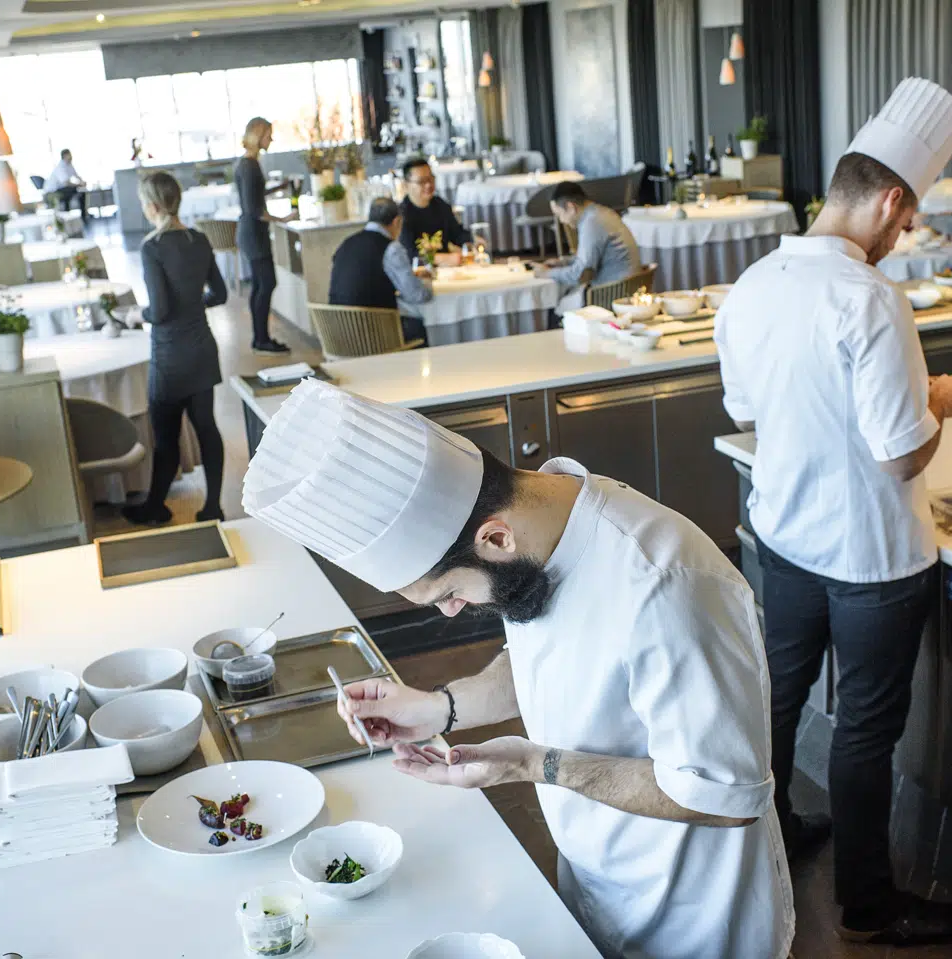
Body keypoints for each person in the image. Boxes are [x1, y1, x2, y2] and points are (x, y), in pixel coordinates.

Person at [242, 380, 794, 959]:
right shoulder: (541, 530)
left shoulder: (665, 586)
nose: (451, 610)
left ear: (495, 536)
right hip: (596, 881)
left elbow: (721, 797)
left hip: (693, 918)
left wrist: (535, 763)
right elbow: (551, 659)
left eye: (449, 591)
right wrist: (436, 707)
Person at [714, 77, 952, 947]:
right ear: (892, 200)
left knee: (781, 699)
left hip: (784, 537)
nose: (903, 238)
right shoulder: (871, 297)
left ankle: (775, 836)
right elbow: (902, 450)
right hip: (871, 558)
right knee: (866, 732)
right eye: (906, 222)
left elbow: (746, 411)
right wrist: (940, 398)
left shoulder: (753, 282)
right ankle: (869, 903)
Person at [121, 171, 227, 526]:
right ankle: (213, 506)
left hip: (170, 357)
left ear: (152, 206)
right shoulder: (198, 239)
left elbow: (161, 310)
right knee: (207, 429)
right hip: (201, 349)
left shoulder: (152, 247)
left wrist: (138, 314)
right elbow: (220, 294)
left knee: (166, 437)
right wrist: (194, 306)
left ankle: (155, 508)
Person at [328, 197, 432, 344]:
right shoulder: (391, 248)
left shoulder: (347, 243)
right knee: (417, 323)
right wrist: (427, 280)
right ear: (397, 221)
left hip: (339, 336)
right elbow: (417, 295)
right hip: (374, 335)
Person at [535, 181, 642, 313]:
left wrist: (547, 273)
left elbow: (581, 274)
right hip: (626, 287)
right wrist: (564, 262)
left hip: (610, 295)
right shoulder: (601, 213)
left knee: (553, 307)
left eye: (559, 215)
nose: (562, 220)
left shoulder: (591, 223)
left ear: (571, 207)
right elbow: (594, 257)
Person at [235, 117, 293, 356]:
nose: (271, 139)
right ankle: (262, 339)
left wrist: (278, 188)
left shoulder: (246, 164)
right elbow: (255, 209)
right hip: (253, 234)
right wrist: (283, 219)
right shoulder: (250, 166)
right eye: (269, 134)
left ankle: (260, 338)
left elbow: (254, 196)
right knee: (267, 283)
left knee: (260, 284)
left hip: (250, 233)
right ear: (258, 136)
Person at [398, 158, 472, 262]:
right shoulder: (401, 216)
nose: (428, 185)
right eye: (421, 182)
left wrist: (472, 240)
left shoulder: (440, 205)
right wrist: (442, 259)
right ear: (406, 185)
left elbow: (457, 234)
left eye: (430, 179)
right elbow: (410, 255)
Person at [45, 149, 88, 220]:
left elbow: (76, 175)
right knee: (73, 191)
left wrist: (82, 182)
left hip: (63, 189)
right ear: (65, 156)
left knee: (80, 192)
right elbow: (66, 183)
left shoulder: (69, 164)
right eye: (69, 154)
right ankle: (67, 216)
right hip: (53, 191)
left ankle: (83, 215)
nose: (71, 156)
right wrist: (79, 184)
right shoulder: (60, 167)